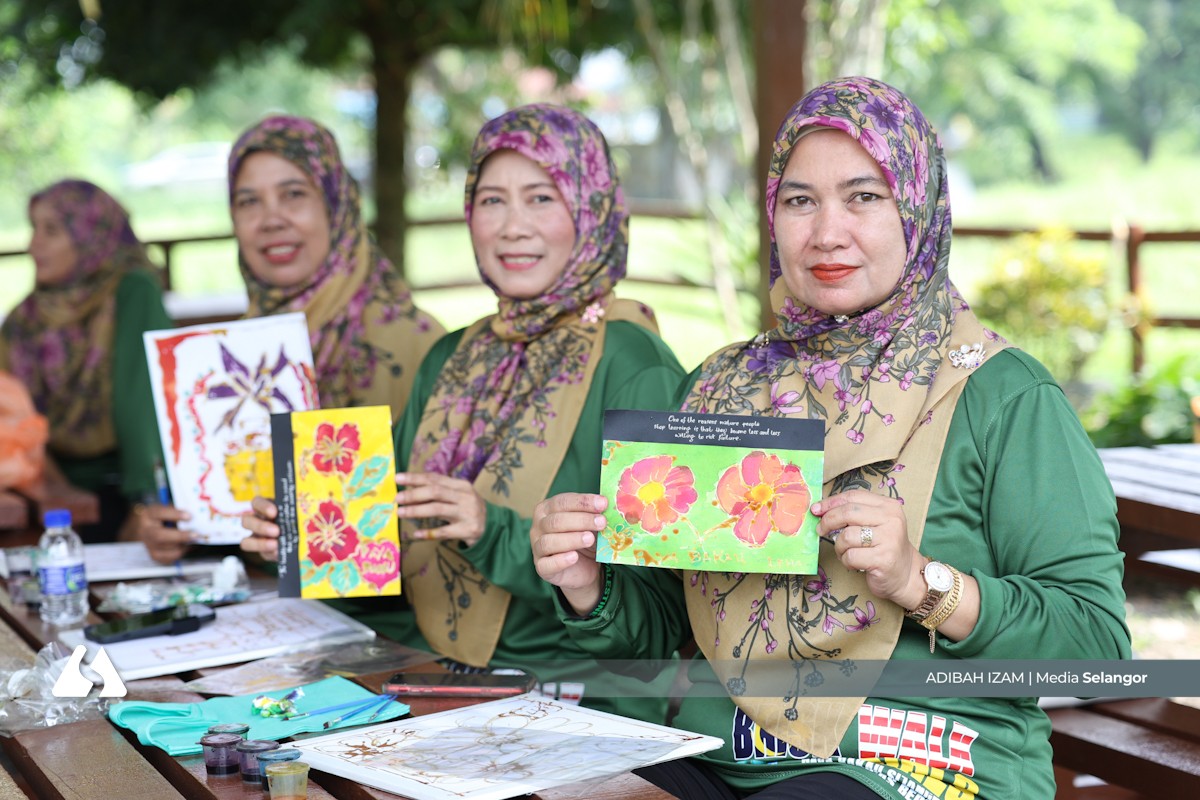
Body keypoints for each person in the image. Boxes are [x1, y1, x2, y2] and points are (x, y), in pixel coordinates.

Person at [531, 77, 1131, 799]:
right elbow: (660, 625)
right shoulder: (723, 385)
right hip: (718, 753)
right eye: (799, 201)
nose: (826, 233)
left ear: (917, 208)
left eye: (864, 196)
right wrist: (587, 584)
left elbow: (1096, 647)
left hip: (919, 763)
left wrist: (922, 581)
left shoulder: (1004, 396)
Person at [241, 104, 685, 719]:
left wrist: (490, 528)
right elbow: (381, 572)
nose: (512, 228)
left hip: (573, 697)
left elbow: (655, 624)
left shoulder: (636, 364)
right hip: (429, 677)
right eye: (492, 201)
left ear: (591, 210)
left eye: (541, 198)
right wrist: (303, 542)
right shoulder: (453, 356)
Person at [134, 115, 445, 562]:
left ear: (337, 204)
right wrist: (178, 532)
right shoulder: (228, 355)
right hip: (259, 611)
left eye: (294, 194)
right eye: (248, 202)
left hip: (386, 621)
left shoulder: (415, 345)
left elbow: (437, 536)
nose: (271, 220)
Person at [0, 179, 172, 542]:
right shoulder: (23, 320)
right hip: (45, 502)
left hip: (127, 495)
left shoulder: (132, 291)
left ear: (90, 236)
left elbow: (140, 403)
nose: (34, 245)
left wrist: (144, 506)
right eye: (34, 229)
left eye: (52, 231)